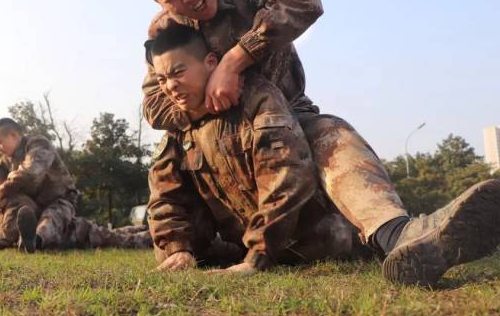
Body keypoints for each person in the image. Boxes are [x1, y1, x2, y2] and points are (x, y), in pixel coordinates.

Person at [146, 22, 500, 286]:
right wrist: (178, 247)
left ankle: (411, 237)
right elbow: (164, 198)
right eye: (163, 80)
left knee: (330, 140)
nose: (171, 85)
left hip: (316, 233)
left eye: (178, 72)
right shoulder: (177, 131)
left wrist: (258, 255)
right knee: (176, 240)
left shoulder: (255, 99)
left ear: (211, 62)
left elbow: (285, 172)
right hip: (252, 247)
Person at [0, 118, 151, 252]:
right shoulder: (6, 162)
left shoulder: (37, 144)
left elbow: (31, 173)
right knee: (102, 234)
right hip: (36, 208)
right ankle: (143, 231)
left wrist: (3, 187)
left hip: (62, 201)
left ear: (13, 135)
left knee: (52, 220)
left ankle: (35, 241)